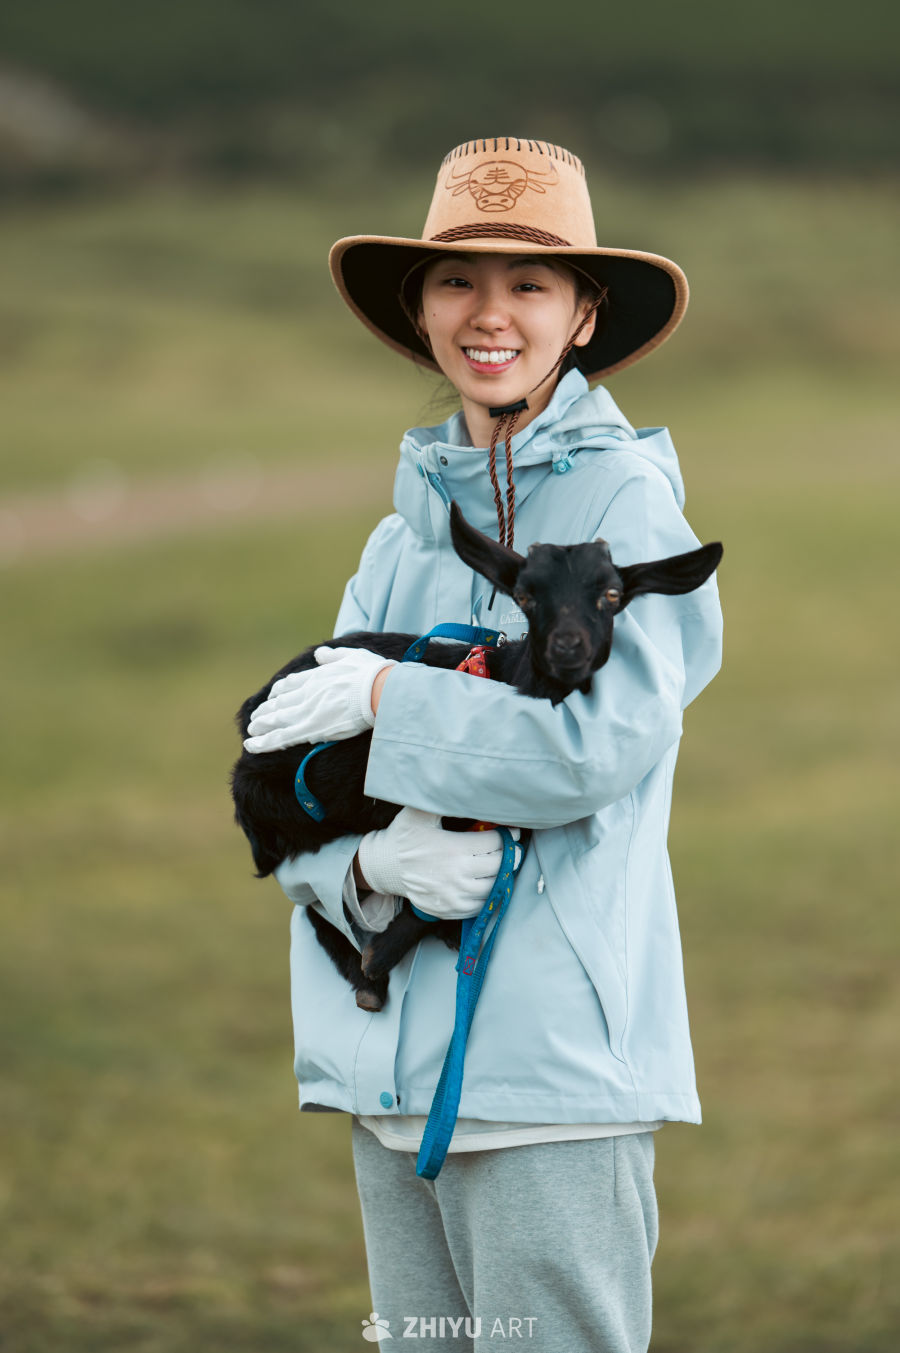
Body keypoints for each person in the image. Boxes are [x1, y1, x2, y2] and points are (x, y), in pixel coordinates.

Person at [242, 138, 723, 1353]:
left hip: (549, 1079)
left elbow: (593, 752)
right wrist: (360, 873)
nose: (490, 313)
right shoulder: (401, 538)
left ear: (585, 311)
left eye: (531, 282)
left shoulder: (627, 508)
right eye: (458, 281)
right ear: (420, 308)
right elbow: (296, 789)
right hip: (388, 1071)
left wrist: (391, 705)